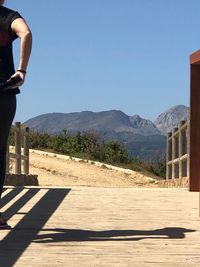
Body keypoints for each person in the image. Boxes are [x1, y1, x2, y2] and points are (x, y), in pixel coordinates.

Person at [0, 0, 32, 228]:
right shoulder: (8, 16)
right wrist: (21, 70)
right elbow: (26, 33)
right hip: (3, 91)